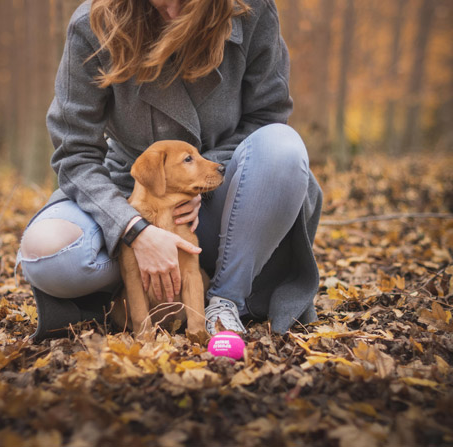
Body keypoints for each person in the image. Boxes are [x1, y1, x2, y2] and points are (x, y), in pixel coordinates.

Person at [17, 0, 323, 342]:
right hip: (129, 191)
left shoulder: (252, 10)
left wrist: (198, 181)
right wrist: (131, 228)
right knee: (47, 253)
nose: (174, 11)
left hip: (226, 192)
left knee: (283, 146)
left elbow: (267, 116)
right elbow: (75, 152)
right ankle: (133, 293)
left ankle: (225, 299)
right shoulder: (94, 24)